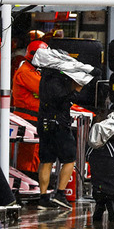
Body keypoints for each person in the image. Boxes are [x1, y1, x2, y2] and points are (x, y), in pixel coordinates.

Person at [36, 67, 85, 209]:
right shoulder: (58, 80)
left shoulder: (43, 78)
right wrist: (77, 90)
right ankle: (60, 194)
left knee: (46, 160)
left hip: (43, 123)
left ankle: (43, 197)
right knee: (70, 160)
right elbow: (64, 101)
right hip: (59, 125)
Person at [12, 39, 47, 174]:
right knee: (29, 155)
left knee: (35, 154)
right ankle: (28, 178)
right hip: (28, 118)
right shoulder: (26, 72)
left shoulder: (33, 70)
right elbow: (46, 89)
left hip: (33, 118)